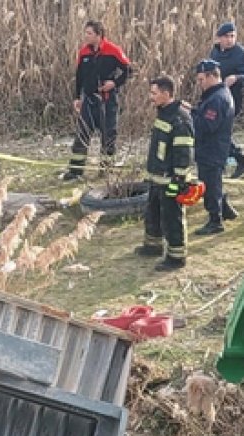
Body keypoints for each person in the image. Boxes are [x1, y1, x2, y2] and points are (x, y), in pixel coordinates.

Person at [62, 20, 133, 181]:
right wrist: (77, 97)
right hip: (88, 100)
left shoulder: (113, 50)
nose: (86, 36)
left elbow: (129, 70)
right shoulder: (84, 52)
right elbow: (79, 77)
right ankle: (75, 171)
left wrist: (114, 83)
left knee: (108, 136)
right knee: (82, 135)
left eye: (89, 33)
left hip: (107, 101)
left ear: (99, 35)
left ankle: (105, 171)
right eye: (85, 33)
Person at [135, 76, 193, 271]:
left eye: (154, 93)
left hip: (170, 179)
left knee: (172, 218)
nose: (151, 97)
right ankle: (153, 246)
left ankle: (177, 257)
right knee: (153, 213)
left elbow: (183, 153)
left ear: (166, 94)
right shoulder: (164, 113)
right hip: (156, 176)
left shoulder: (179, 119)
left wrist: (179, 179)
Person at [192, 59, 238, 236]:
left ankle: (215, 221)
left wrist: (191, 117)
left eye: (201, 79)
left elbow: (206, 126)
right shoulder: (217, 94)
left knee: (210, 186)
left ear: (212, 76)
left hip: (212, 149)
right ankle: (224, 209)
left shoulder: (217, 99)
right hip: (213, 148)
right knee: (213, 183)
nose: (199, 83)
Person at [207, 21, 244, 179]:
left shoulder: (241, 53)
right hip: (215, 98)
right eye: (226, 36)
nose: (229, 40)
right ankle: (234, 160)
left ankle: (238, 160)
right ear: (219, 38)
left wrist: (237, 77)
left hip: (233, 100)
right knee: (215, 132)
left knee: (219, 133)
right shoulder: (214, 53)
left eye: (232, 36)